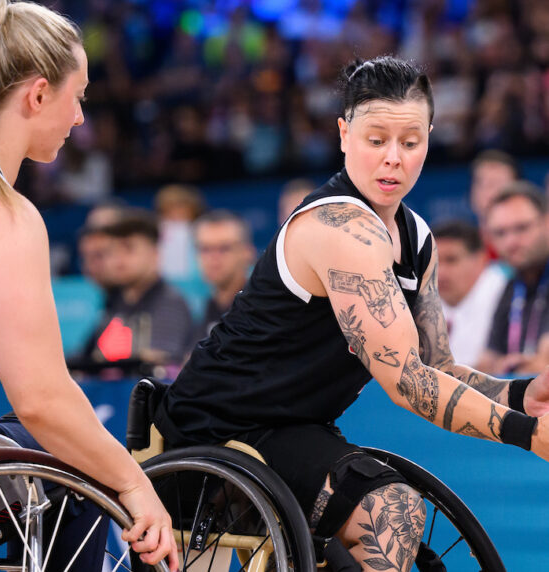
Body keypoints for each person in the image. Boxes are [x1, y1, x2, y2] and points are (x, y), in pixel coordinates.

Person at [150, 56, 549, 571]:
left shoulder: (417, 235)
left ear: (429, 136)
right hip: (215, 429)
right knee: (392, 508)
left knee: (397, 520)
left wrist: (521, 394)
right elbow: (407, 382)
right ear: (343, 133)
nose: (394, 159)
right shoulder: (341, 228)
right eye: (376, 140)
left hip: (289, 430)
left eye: (410, 142)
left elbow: (439, 368)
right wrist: (526, 433)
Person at [0, 2, 177, 569]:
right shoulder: (0, 214)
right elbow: (41, 399)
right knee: (81, 474)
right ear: (38, 95)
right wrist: (133, 484)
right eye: (79, 95)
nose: (81, 118)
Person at [80, 209, 193, 374]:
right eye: (111, 251)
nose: (118, 259)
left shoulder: (170, 301)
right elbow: (85, 360)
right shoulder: (114, 303)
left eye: (129, 249)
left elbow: (161, 362)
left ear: (155, 255)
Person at [476, 181, 549, 375]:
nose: (511, 242)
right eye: (500, 233)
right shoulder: (511, 286)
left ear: (546, 223)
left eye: (522, 228)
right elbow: (486, 363)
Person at [433, 220, 507, 367]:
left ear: (481, 259)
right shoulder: (425, 299)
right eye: (434, 261)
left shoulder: (506, 294)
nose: (440, 273)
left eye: (451, 260)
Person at [192, 209, 256, 342]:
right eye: (205, 249)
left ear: (247, 253)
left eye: (224, 248)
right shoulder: (209, 307)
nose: (213, 258)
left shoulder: (261, 308)